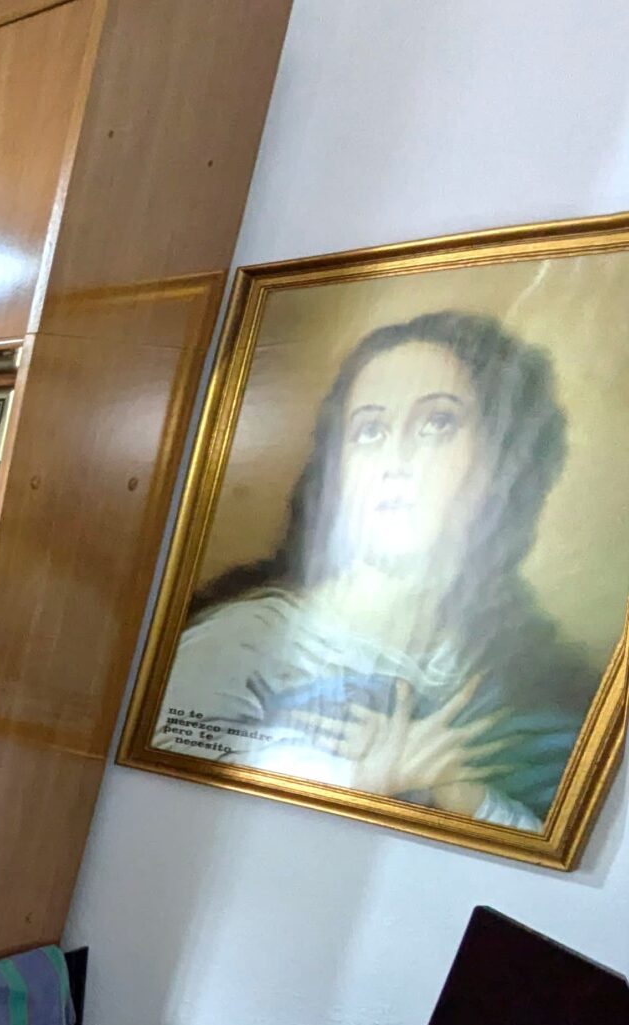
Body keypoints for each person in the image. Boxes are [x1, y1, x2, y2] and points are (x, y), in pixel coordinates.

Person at [153, 310, 602, 831]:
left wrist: (463, 794)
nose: (396, 460)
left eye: (437, 424)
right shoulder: (244, 643)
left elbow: (545, 845)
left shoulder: (526, 689)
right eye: (370, 431)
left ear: (504, 462)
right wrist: (362, 782)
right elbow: (175, 803)